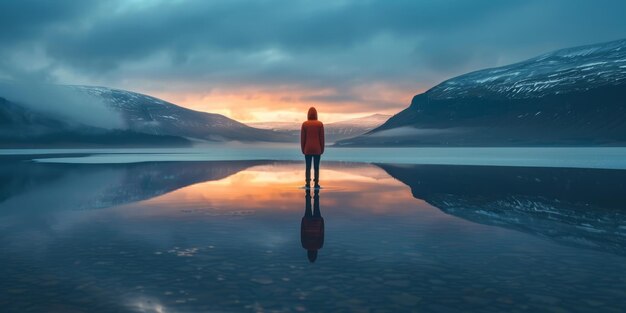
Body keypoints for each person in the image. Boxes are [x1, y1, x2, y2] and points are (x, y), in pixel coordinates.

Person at [300, 107, 325, 189]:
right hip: (317, 149)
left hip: (307, 149)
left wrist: (303, 149)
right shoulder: (320, 124)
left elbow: (303, 139)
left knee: (308, 167)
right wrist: (322, 149)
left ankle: (307, 183)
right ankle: (316, 183)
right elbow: (322, 138)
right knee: (316, 167)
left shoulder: (304, 124)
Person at [301, 189, 324, 263]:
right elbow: (302, 232)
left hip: (317, 221)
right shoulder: (304, 245)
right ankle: (308, 190)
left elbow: (322, 233)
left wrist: (322, 221)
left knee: (316, 204)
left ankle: (316, 191)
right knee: (308, 205)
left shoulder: (319, 245)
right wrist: (303, 221)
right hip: (307, 221)